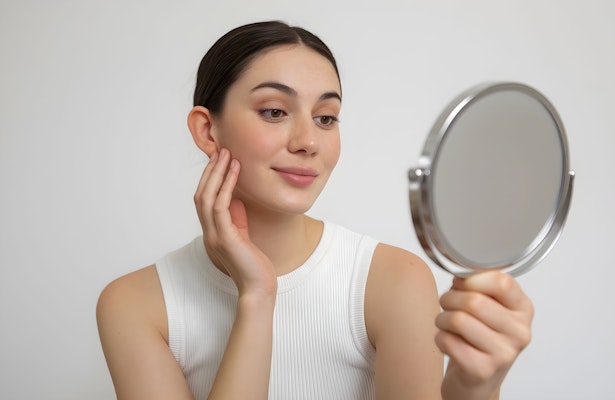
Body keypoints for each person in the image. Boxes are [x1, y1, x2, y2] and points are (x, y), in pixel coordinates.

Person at [96, 20, 534, 400]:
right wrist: (256, 296)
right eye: (274, 111)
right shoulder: (135, 306)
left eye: (326, 118)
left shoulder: (391, 282)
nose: (308, 141)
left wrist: (478, 389)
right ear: (207, 130)